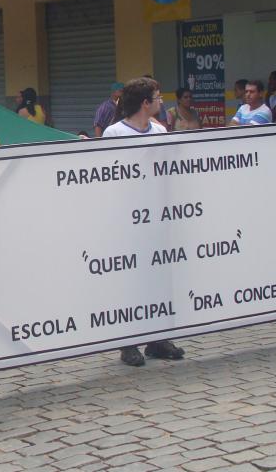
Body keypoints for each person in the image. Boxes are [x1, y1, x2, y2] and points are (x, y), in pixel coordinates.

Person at [103, 77, 186, 366]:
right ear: (145, 103)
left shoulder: (161, 131)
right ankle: (128, 342)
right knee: (131, 279)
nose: (162, 101)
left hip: (158, 214)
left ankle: (158, 337)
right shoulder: (115, 133)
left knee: (160, 276)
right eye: (158, 96)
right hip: (127, 218)